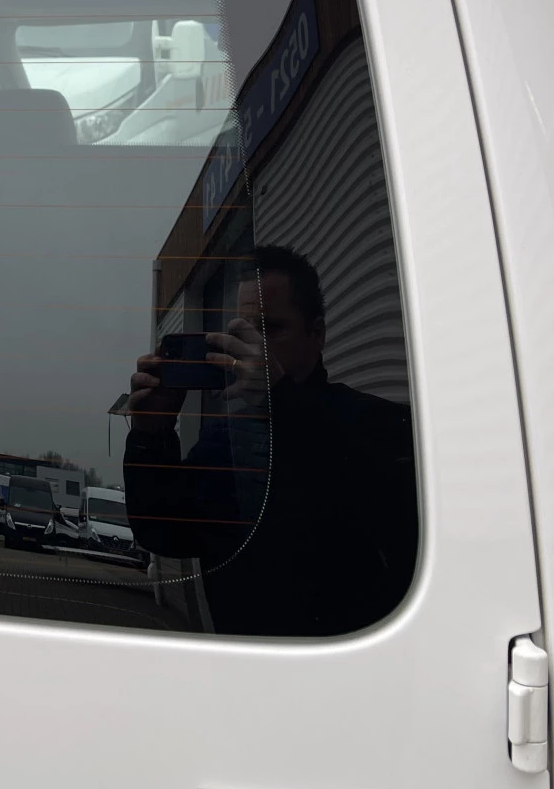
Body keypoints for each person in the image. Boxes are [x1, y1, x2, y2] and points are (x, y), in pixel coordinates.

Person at [122, 245, 416, 636]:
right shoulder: (226, 436)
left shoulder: (374, 423)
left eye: (271, 328)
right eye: (245, 331)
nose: (254, 346)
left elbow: (392, 533)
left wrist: (280, 397)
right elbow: (164, 533)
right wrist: (150, 435)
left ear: (317, 334)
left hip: (342, 664)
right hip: (241, 660)